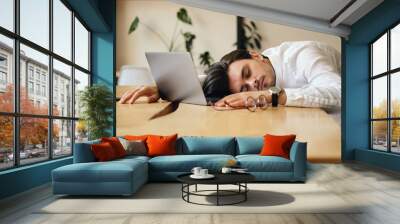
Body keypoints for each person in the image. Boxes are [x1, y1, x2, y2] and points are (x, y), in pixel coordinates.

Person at [119, 41, 341, 110]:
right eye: (245, 89)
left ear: (256, 56)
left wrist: (273, 96)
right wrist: (166, 87)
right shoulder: (249, 71)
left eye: (247, 72)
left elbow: (340, 94)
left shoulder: (303, 55)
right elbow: (207, 79)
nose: (252, 83)